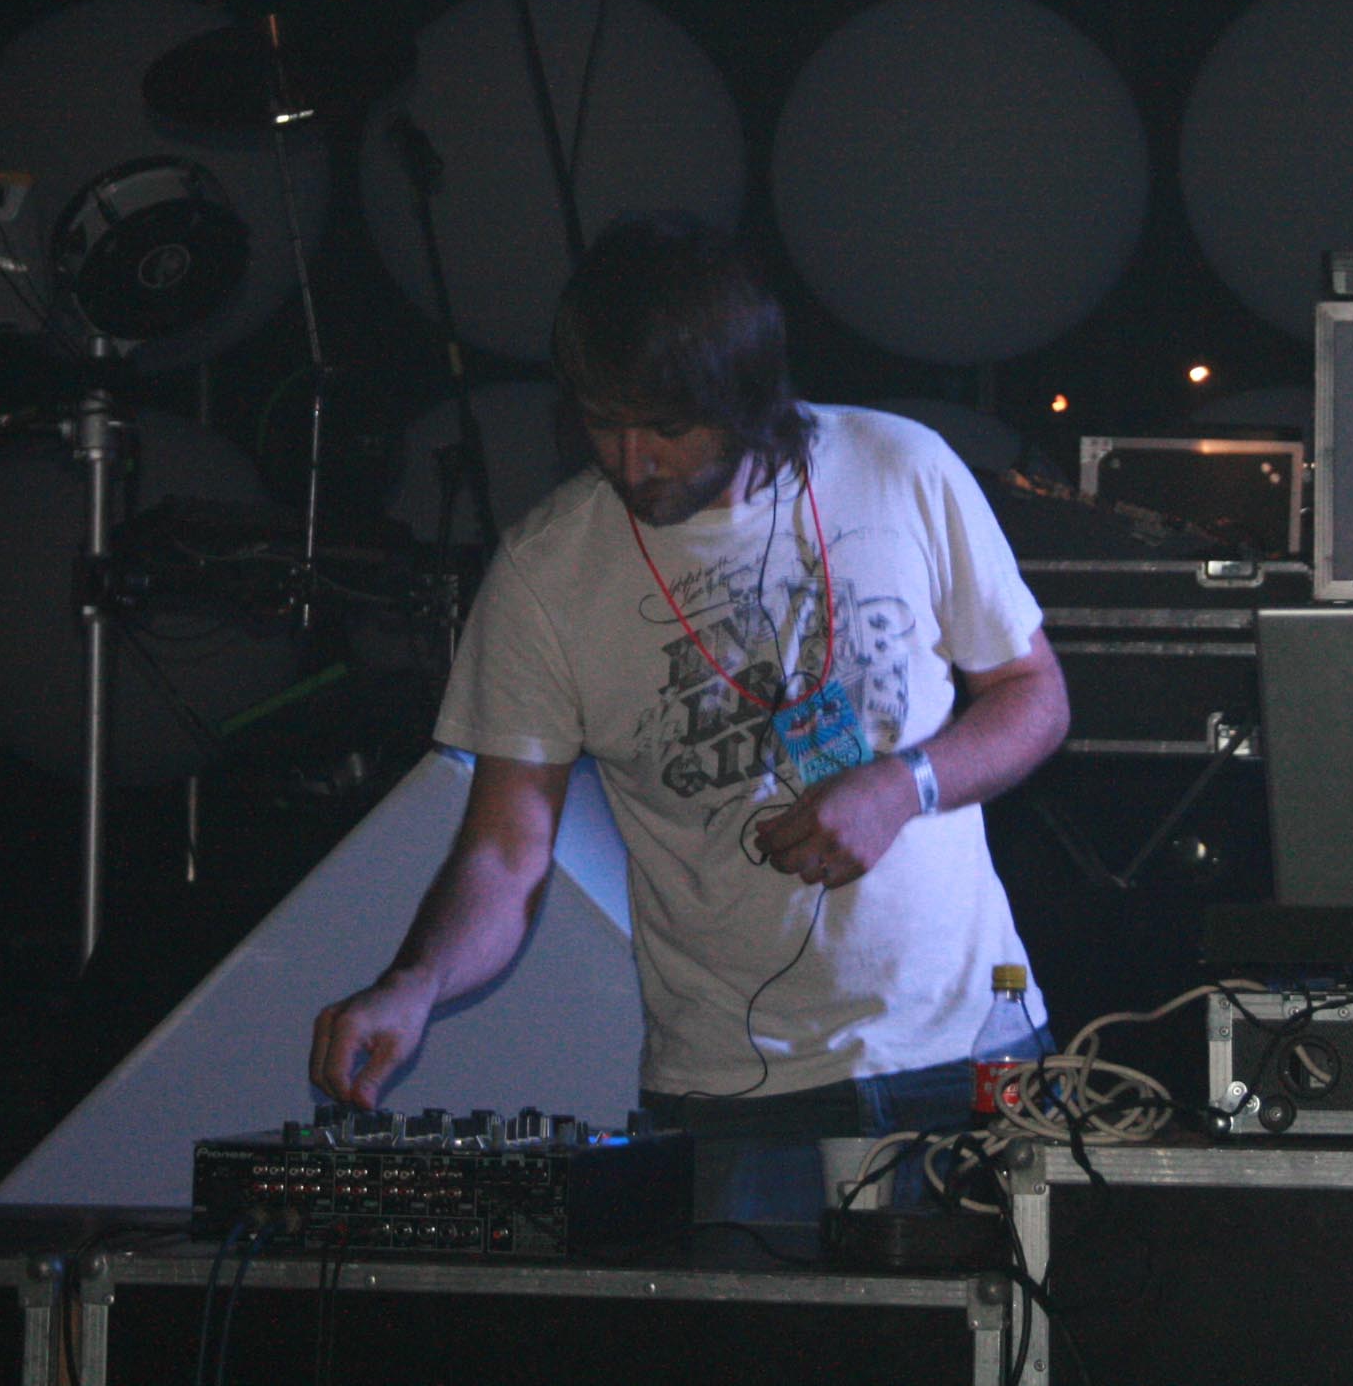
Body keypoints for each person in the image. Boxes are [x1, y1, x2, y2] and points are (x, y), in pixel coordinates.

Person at [309, 213, 1067, 1212]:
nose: (632, 462)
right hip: (734, 1094)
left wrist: (903, 785)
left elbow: (1034, 695)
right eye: (602, 422)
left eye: (666, 427)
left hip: (970, 1046)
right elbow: (504, 849)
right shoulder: (546, 569)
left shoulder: (900, 466)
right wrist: (413, 982)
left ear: (745, 396)